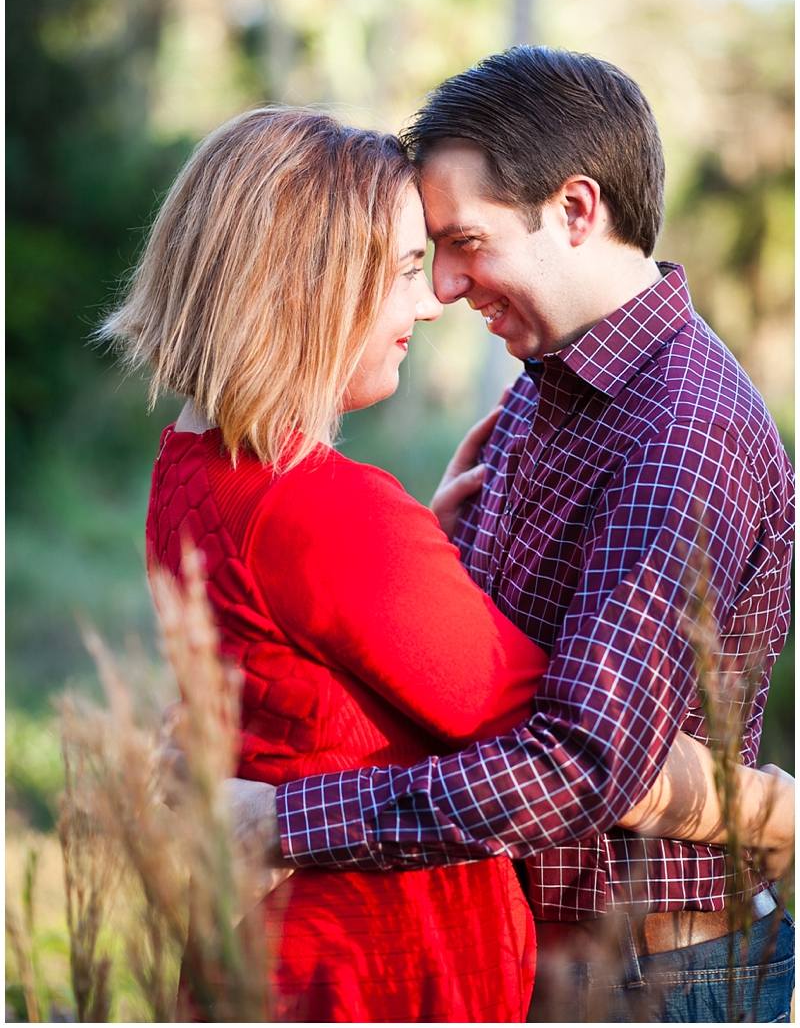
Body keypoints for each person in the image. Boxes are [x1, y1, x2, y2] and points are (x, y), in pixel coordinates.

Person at [230, 50, 795, 1024]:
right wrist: (418, 560)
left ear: (575, 211)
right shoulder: (551, 380)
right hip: (543, 954)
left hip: (645, 979)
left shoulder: (678, 435)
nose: (443, 286)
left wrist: (283, 822)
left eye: (464, 241)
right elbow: (487, 668)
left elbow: (576, 765)